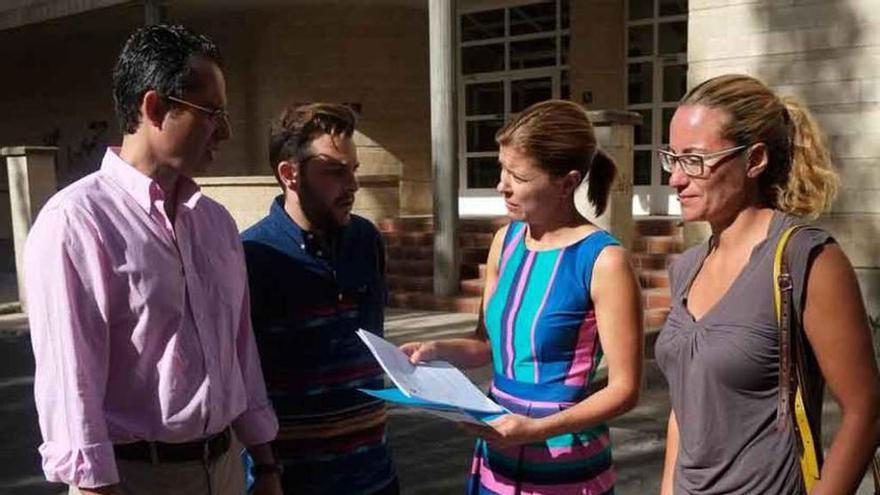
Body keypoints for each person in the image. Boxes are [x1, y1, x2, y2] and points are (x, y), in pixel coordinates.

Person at [24, 25, 281, 495]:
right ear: (155, 108)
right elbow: (71, 387)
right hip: (135, 478)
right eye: (211, 112)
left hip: (225, 468)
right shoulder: (76, 223)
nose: (224, 130)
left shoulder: (215, 223)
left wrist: (265, 464)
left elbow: (241, 352)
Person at [401, 99, 643, 494]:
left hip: (565, 464)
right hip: (496, 454)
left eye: (518, 175)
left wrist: (537, 428)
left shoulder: (603, 260)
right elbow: (486, 345)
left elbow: (625, 389)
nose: (502, 185)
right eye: (502, 168)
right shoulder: (506, 241)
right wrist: (435, 349)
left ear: (567, 183)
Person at [655, 74, 880, 494]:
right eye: (672, 158)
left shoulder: (807, 259)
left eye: (695, 160)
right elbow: (685, 405)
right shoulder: (685, 267)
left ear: (754, 160)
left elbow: (865, 410)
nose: (676, 180)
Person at [241, 103, 398, 494]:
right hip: (296, 480)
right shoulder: (252, 255)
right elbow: (244, 379)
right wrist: (264, 471)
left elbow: (369, 345)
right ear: (289, 174)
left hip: (375, 473)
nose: (353, 185)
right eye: (335, 172)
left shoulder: (365, 240)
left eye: (354, 170)